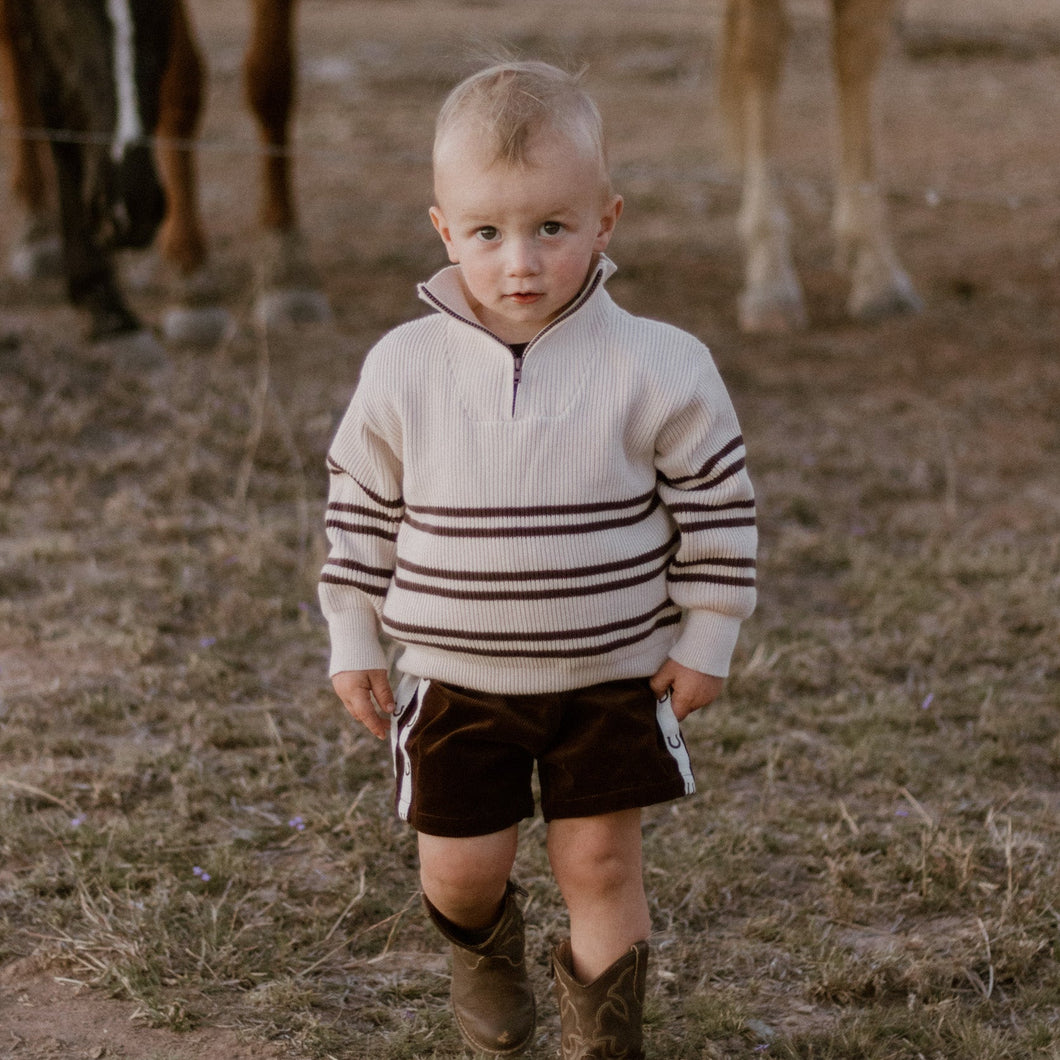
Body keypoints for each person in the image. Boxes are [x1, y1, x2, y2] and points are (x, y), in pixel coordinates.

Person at [319, 60, 757, 1059]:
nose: (519, 261)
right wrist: (352, 634)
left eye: (550, 229)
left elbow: (719, 506)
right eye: (486, 233)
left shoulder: (661, 363)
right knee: (459, 872)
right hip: (454, 683)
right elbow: (356, 510)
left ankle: (602, 1047)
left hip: (608, 678)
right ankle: (485, 963)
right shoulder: (403, 369)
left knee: (600, 864)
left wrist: (709, 635)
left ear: (605, 221)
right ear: (442, 229)